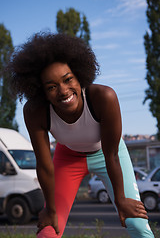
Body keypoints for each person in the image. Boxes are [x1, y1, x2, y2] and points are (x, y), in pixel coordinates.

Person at [8, 32, 154, 238]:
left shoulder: (104, 97)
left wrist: (121, 199)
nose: (63, 90)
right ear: (41, 91)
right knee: (48, 232)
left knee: (137, 224)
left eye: (68, 80)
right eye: (51, 87)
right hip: (67, 157)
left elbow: (111, 155)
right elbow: (44, 164)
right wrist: (50, 209)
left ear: (79, 75)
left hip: (107, 154)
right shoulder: (35, 111)